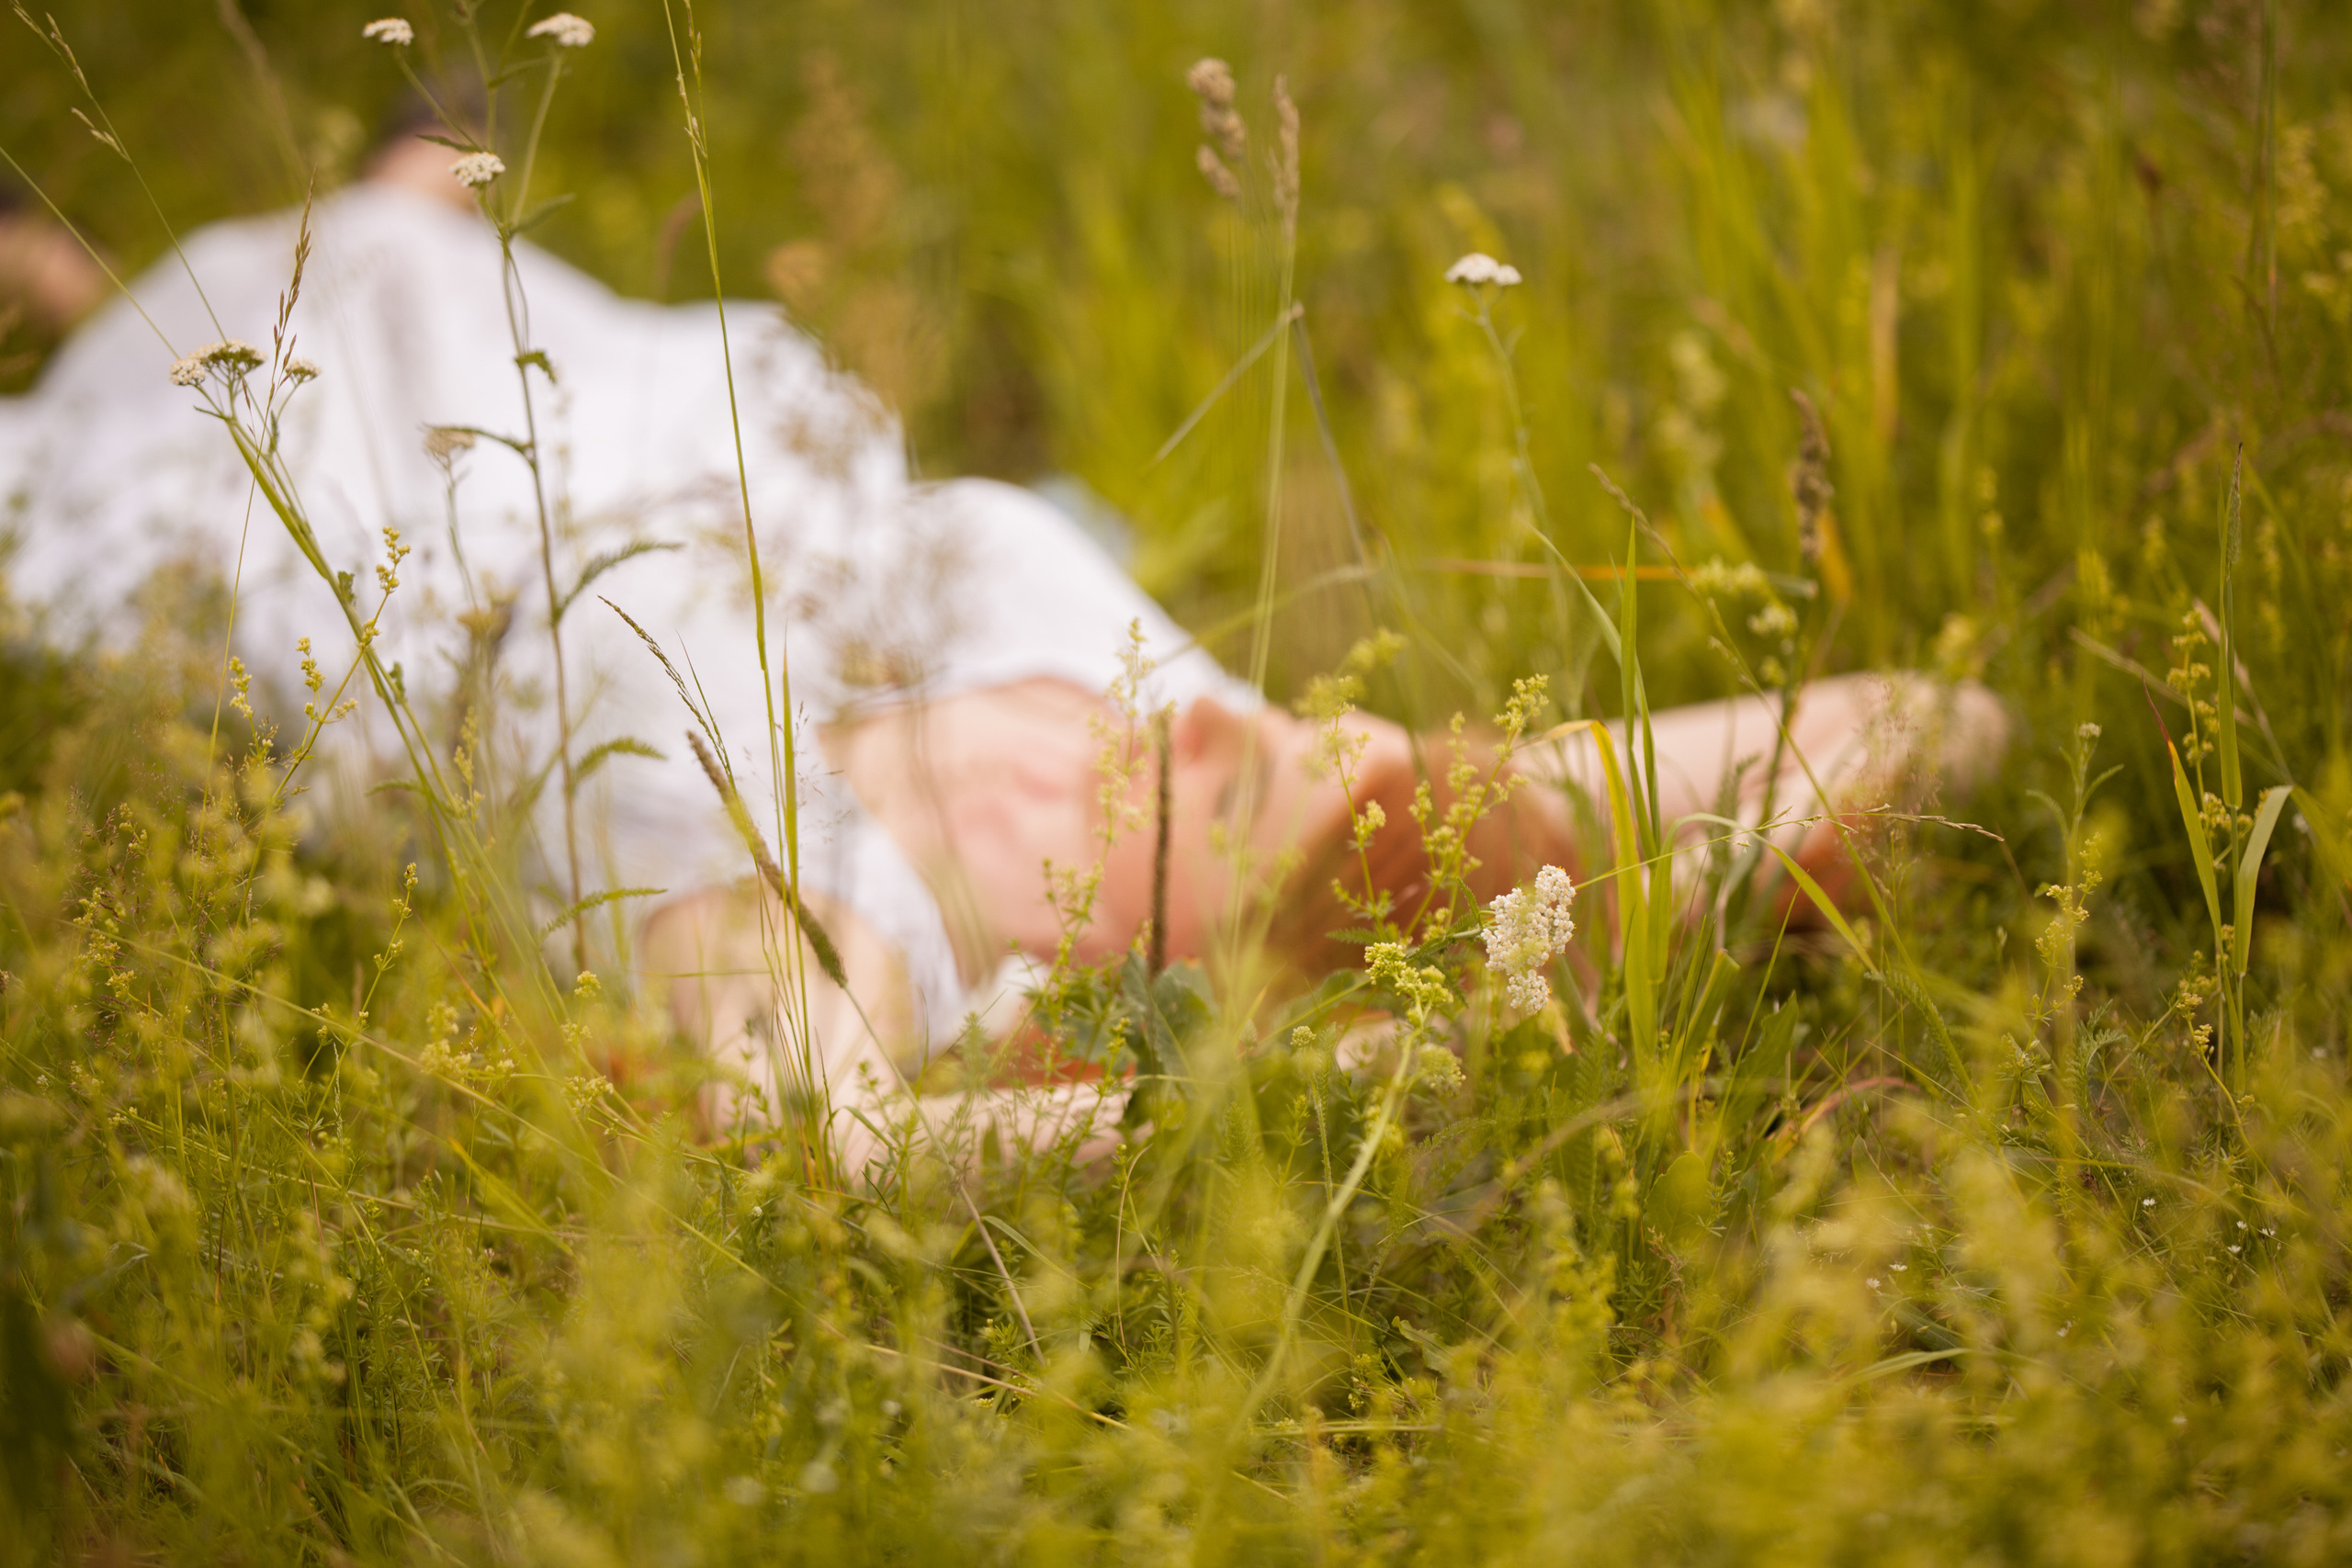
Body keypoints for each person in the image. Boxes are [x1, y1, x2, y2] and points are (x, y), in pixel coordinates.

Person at [0, 139, 2007, 1170]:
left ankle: (74, 273)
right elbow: (1936, 717)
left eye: (1276, 798)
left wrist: (1335, 1079)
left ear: (1181, 958)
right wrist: (1625, 883)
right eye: (1346, 743)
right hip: (606, 392)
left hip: (370, 520)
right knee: (409, 256)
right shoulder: (1119, 698)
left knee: (177, 399)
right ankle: (351, 194)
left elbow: (832, 1156)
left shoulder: (814, 884)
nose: (1295, 723)